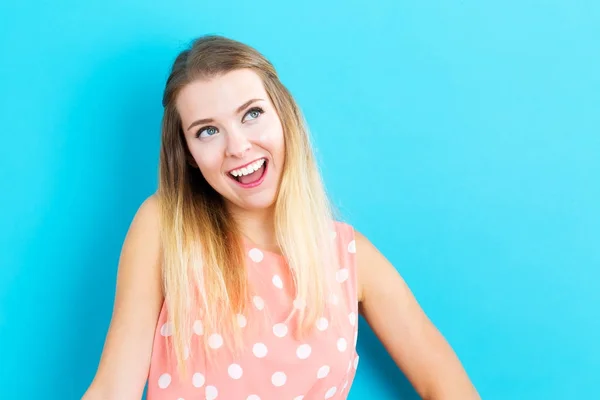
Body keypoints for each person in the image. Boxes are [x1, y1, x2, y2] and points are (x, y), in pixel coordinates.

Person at [81, 34, 480, 400]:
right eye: (207, 131)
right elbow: (114, 389)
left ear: (283, 116)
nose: (238, 146)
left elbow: (449, 387)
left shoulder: (348, 258)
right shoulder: (163, 226)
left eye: (251, 114)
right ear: (188, 154)